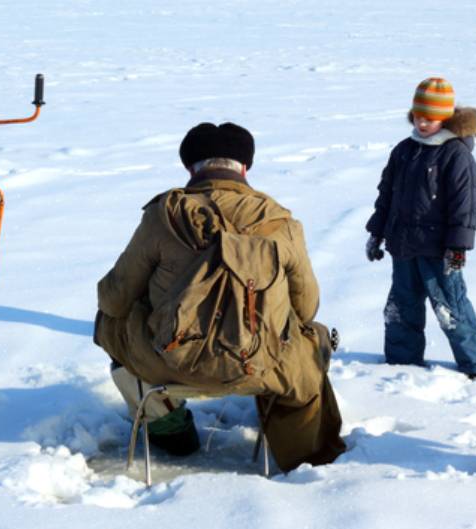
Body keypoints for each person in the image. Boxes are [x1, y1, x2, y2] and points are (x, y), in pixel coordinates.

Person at [94, 122, 346, 472]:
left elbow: (114, 299)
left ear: (189, 168)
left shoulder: (163, 216)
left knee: (109, 323)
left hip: (165, 360)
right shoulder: (282, 223)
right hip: (261, 364)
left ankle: (170, 430)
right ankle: (300, 452)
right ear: (245, 168)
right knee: (309, 337)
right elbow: (305, 308)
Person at [365, 77, 476, 378]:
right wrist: (377, 232)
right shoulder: (404, 151)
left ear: (446, 118)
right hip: (403, 245)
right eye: (419, 117)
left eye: (431, 119)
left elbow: (466, 204)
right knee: (401, 307)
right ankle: (401, 363)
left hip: (439, 251)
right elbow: (386, 195)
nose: (423, 124)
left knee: (451, 309)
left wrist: (458, 247)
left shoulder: (455, 154)